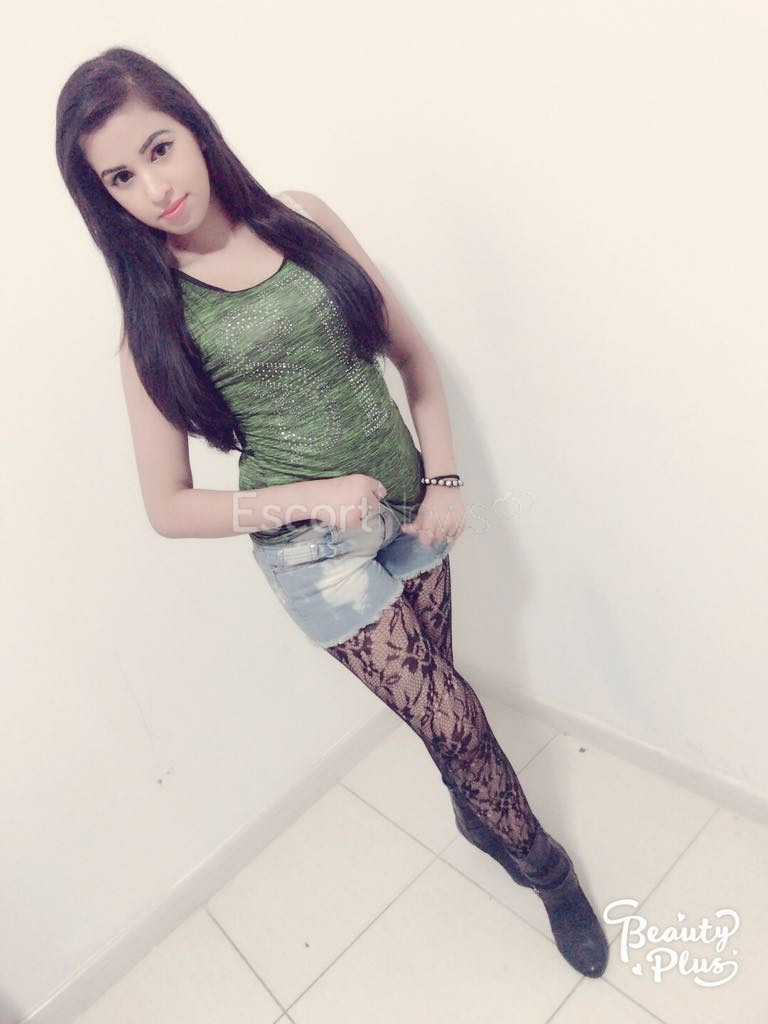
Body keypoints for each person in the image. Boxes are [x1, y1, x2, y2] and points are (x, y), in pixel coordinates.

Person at [55, 46, 609, 978]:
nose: (154, 188)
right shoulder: (151, 324)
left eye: (158, 148)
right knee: (454, 719)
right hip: (316, 557)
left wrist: (444, 481)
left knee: (440, 693)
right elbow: (168, 508)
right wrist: (315, 498)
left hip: (411, 503)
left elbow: (413, 359)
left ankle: (476, 815)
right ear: (101, 196)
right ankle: (548, 872)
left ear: (193, 128)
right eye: (119, 177)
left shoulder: (302, 218)